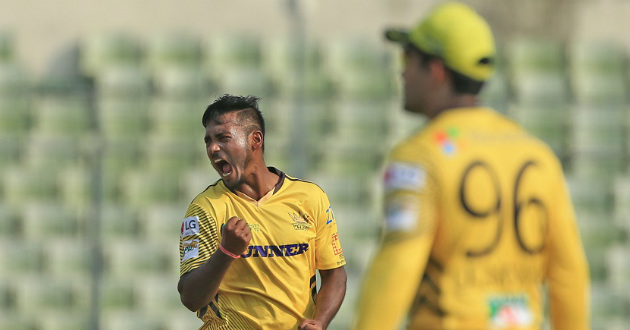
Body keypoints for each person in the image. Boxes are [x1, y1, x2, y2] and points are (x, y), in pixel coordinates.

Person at [352, 2, 590, 330]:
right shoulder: (537, 155)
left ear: (436, 71)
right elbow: (568, 271)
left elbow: (398, 266)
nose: (402, 72)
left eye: (408, 58)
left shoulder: (418, 158)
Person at [177, 94, 347, 330]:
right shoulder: (206, 208)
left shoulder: (310, 198)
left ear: (255, 140)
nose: (213, 148)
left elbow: (334, 274)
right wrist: (227, 252)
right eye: (208, 141)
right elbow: (190, 297)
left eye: (223, 138)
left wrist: (320, 321)